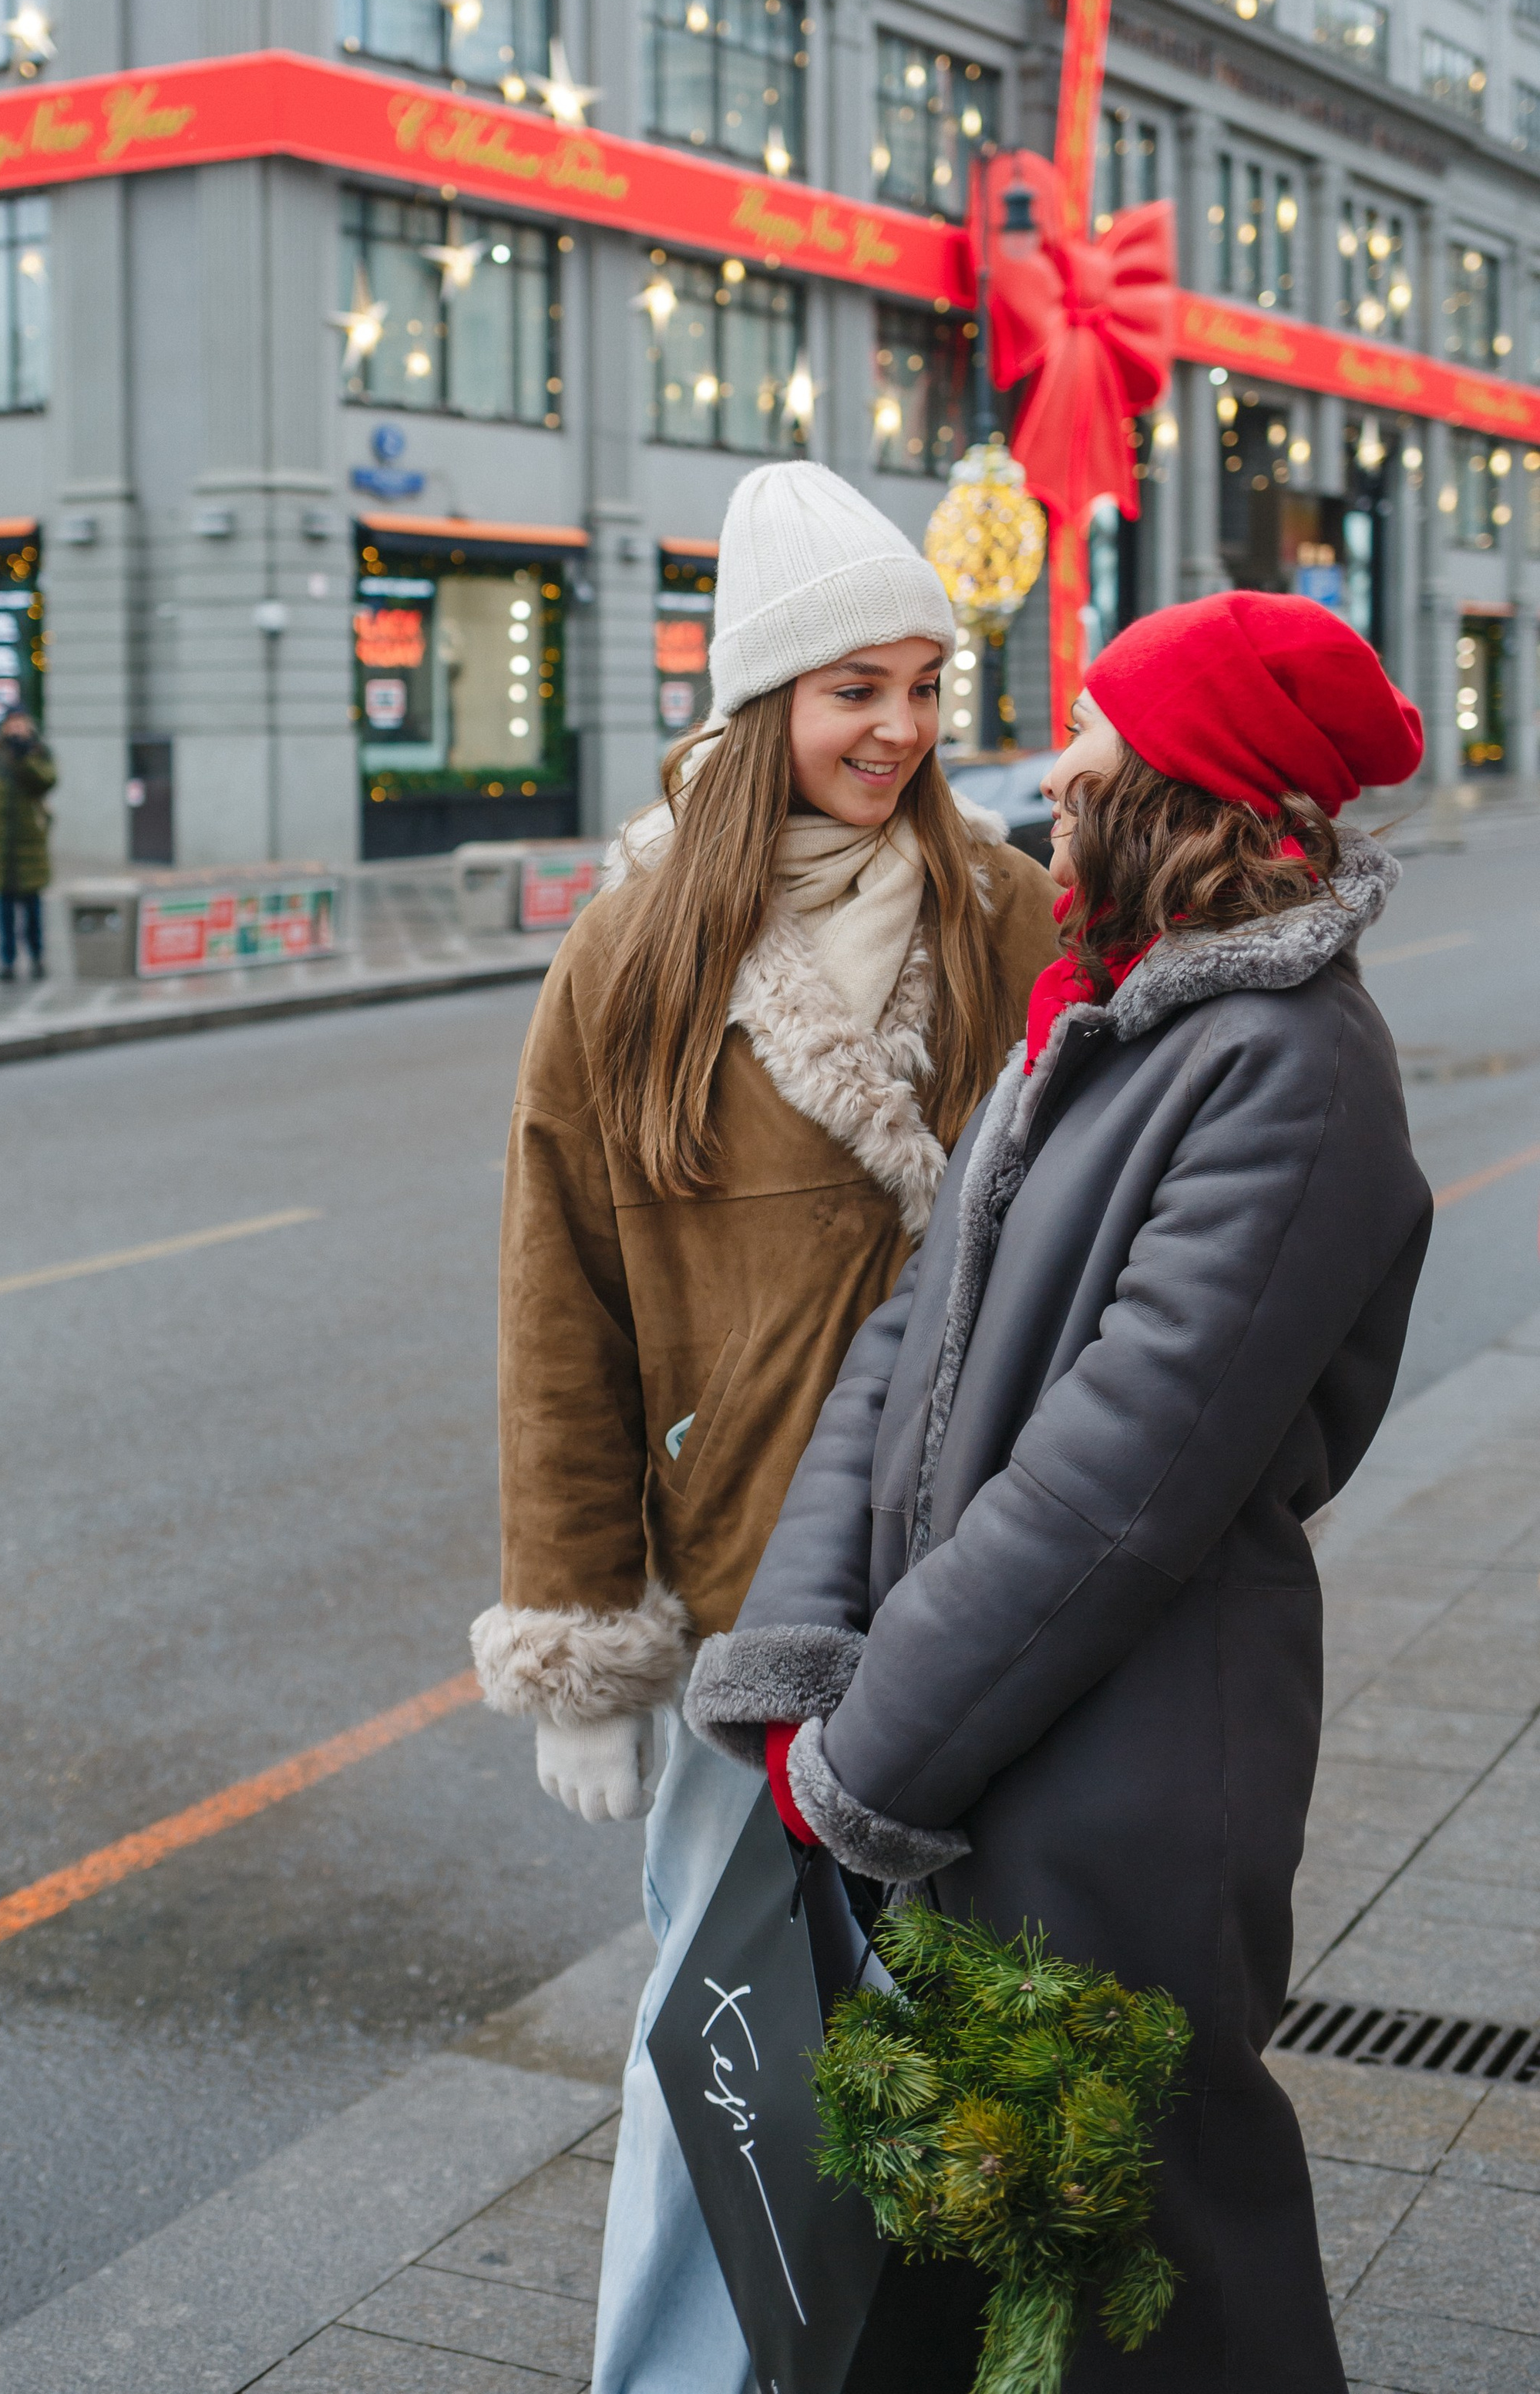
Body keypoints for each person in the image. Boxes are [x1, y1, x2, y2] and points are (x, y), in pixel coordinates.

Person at [688, 590, 1432, 2392]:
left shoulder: (1289, 1068)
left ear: (1187, 785)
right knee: (989, 2264)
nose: (1054, 768)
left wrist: (867, 1755)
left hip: (1126, 1770)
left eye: (1097, 735)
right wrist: (801, 1653)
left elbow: (1115, 1487)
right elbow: (901, 1342)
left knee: (1153, 2263)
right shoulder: (1089, 1015)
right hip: (981, 1728)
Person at [468, 461, 1061, 2394]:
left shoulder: (1002, 909)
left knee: (974, 2052)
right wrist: (578, 1634)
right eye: (848, 689)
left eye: (920, 683)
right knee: (725, 2041)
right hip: (746, 1625)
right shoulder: (630, 960)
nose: (895, 728)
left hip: (978, 1595)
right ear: (758, 708)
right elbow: (561, 1309)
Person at [0, 708, 58, 982]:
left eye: (22, 723)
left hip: (30, 841)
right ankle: (7, 961)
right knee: (3, 906)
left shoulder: (38, 751)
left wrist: (24, 757)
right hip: (0, 842)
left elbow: (48, 781)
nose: (17, 728)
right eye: (12, 723)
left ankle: (37, 956)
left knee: (33, 906)